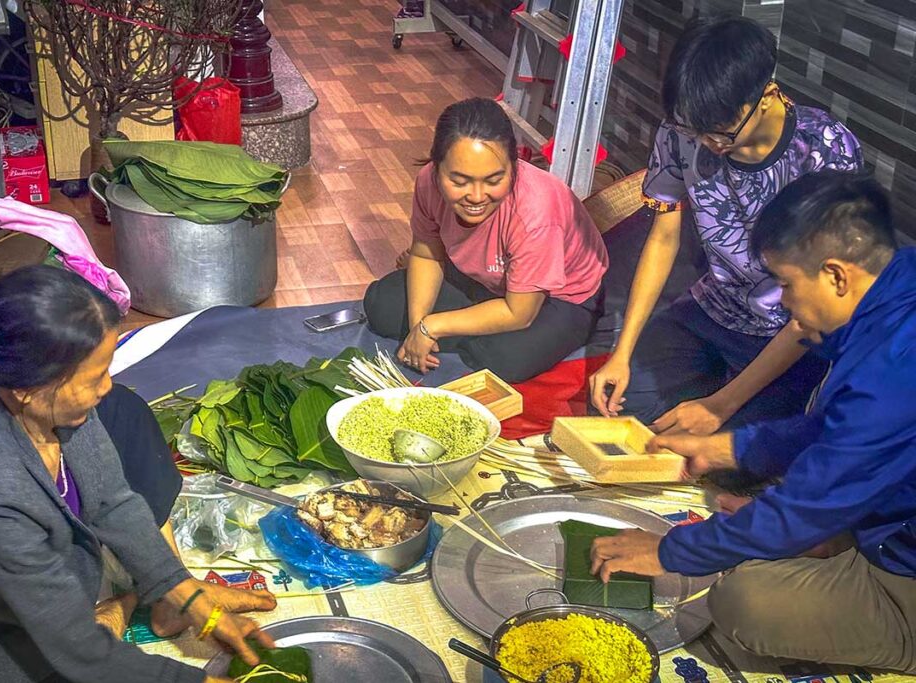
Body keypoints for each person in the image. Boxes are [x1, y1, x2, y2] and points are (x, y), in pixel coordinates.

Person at [589, 171, 916, 673]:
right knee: (766, 522)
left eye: (786, 284)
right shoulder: (898, 287)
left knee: (743, 603)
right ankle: (837, 540)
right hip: (893, 518)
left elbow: (804, 505)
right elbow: (840, 430)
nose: (783, 302)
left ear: (835, 276)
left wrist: (670, 551)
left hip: (901, 560)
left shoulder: (891, 369)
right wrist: (728, 449)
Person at [0, 266, 277, 683]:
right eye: (95, 376)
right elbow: (79, 651)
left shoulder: (54, 407)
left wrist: (188, 595)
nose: (106, 386)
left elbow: (113, 502)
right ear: (29, 387)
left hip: (43, 617)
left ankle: (125, 605)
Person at [589, 17, 863, 436]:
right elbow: (663, 237)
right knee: (615, 412)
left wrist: (720, 405)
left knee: (727, 455)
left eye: (720, 133)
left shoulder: (825, 153)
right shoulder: (685, 131)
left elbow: (812, 309)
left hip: (789, 333)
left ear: (767, 96)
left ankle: (724, 396)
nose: (705, 144)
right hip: (713, 307)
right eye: (692, 130)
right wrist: (621, 352)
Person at [364, 97, 609, 383]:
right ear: (437, 166)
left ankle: (474, 328)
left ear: (514, 165)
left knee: (505, 359)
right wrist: (418, 325)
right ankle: (473, 325)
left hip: (555, 299)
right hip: (486, 281)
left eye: (494, 180)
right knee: (381, 304)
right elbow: (427, 254)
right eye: (459, 181)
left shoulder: (537, 211)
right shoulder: (427, 182)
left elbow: (520, 313)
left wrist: (433, 327)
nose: (477, 197)